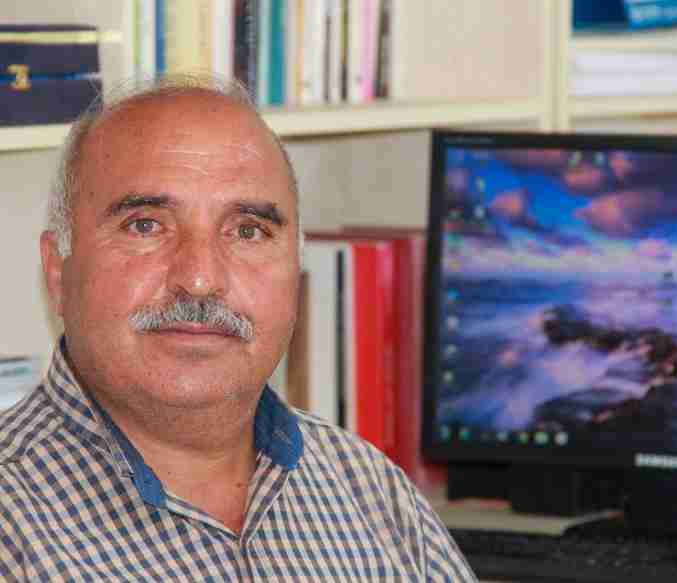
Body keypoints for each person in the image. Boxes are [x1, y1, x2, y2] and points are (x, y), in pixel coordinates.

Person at [0, 75, 475, 581]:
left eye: (248, 231)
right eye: (146, 225)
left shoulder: (373, 495)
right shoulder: (13, 532)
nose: (200, 279)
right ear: (59, 271)